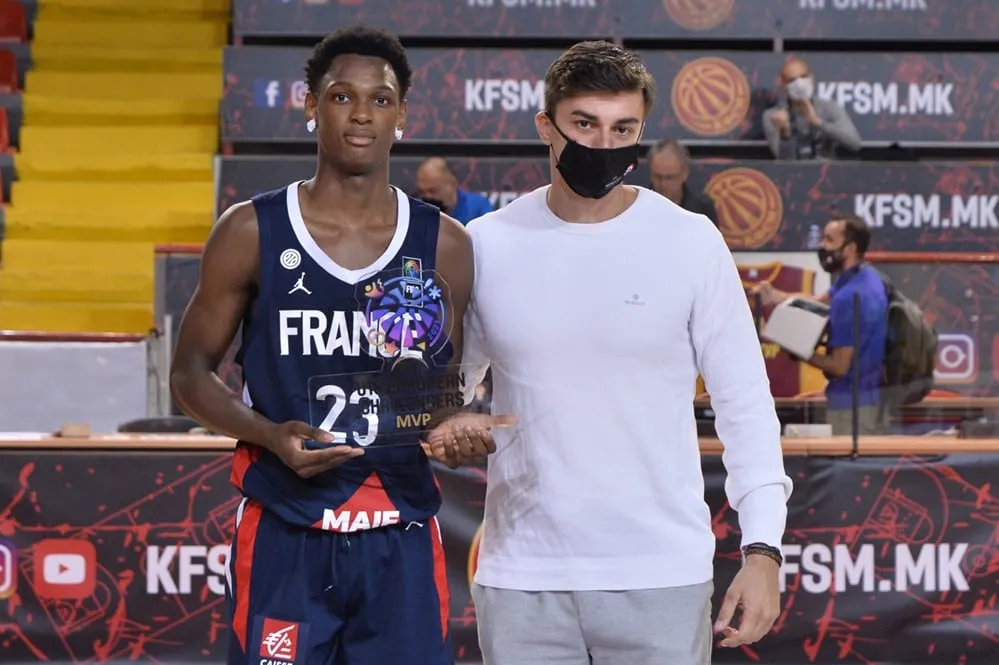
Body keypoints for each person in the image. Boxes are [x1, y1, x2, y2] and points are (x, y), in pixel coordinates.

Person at [434, 40, 792, 665]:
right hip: (523, 575)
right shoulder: (486, 243)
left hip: (662, 573)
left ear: (641, 132)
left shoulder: (690, 242)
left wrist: (764, 549)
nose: (603, 144)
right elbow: (445, 394)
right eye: (584, 124)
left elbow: (746, 406)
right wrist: (445, 422)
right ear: (546, 126)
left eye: (622, 128)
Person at [169, 26, 508, 665]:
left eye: (380, 100)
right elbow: (188, 374)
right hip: (286, 527)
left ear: (402, 115)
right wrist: (269, 435)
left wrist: (453, 427)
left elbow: (438, 392)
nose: (361, 114)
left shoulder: (445, 244)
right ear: (311, 105)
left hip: (399, 532)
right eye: (342, 96)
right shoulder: (250, 230)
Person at [752, 215, 888, 435]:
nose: (822, 246)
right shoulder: (865, 277)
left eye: (829, 240)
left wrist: (798, 351)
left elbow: (839, 366)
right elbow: (820, 301)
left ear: (850, 248)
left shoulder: (847, 298)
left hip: (851, 410)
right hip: (870, 400)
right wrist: (775, 296)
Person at [762, 57, 861, 160]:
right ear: (783, 83)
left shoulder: (828, 107)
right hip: (794, 169)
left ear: (811, 78)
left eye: (803, 77)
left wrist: (818, 122)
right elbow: (784, 160)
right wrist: (785, 133)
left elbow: (855, 144)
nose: (799, 84)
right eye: (792, 80)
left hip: (826, 168)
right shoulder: (773, 116)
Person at [647, 139, 718, 225]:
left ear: (684, 174)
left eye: (669, 178)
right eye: (658, 177)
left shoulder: (703, 208)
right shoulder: (636, 205)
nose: (663, 184)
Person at [415, 156, 494, 225]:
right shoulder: (416, 211)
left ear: (452, 184)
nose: (427, 196)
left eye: (433, 191)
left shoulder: (478, 208)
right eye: (422, 191)